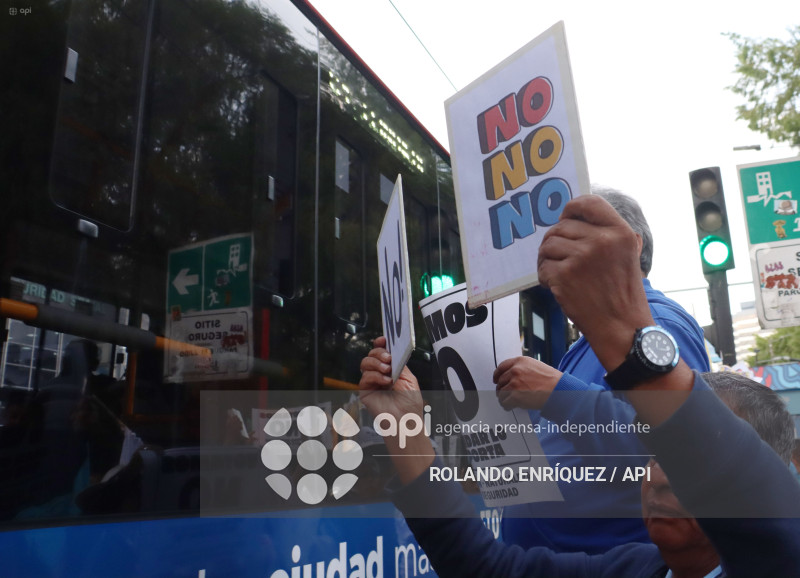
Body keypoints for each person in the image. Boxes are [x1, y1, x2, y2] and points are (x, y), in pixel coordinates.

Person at [359, 195, 800, 576]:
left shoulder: (658, 324)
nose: (659, 475)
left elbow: (693, 439)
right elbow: (480, 567)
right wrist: (405, 430)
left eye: (569, 242)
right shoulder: (635, 568)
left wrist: (620, 341)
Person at [499, 187, 711, 554]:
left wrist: (557, 394)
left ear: (632, 245)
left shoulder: (657, 325)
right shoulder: (589, 341)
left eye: (577, 240)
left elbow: (672, 452)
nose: (555, 255)